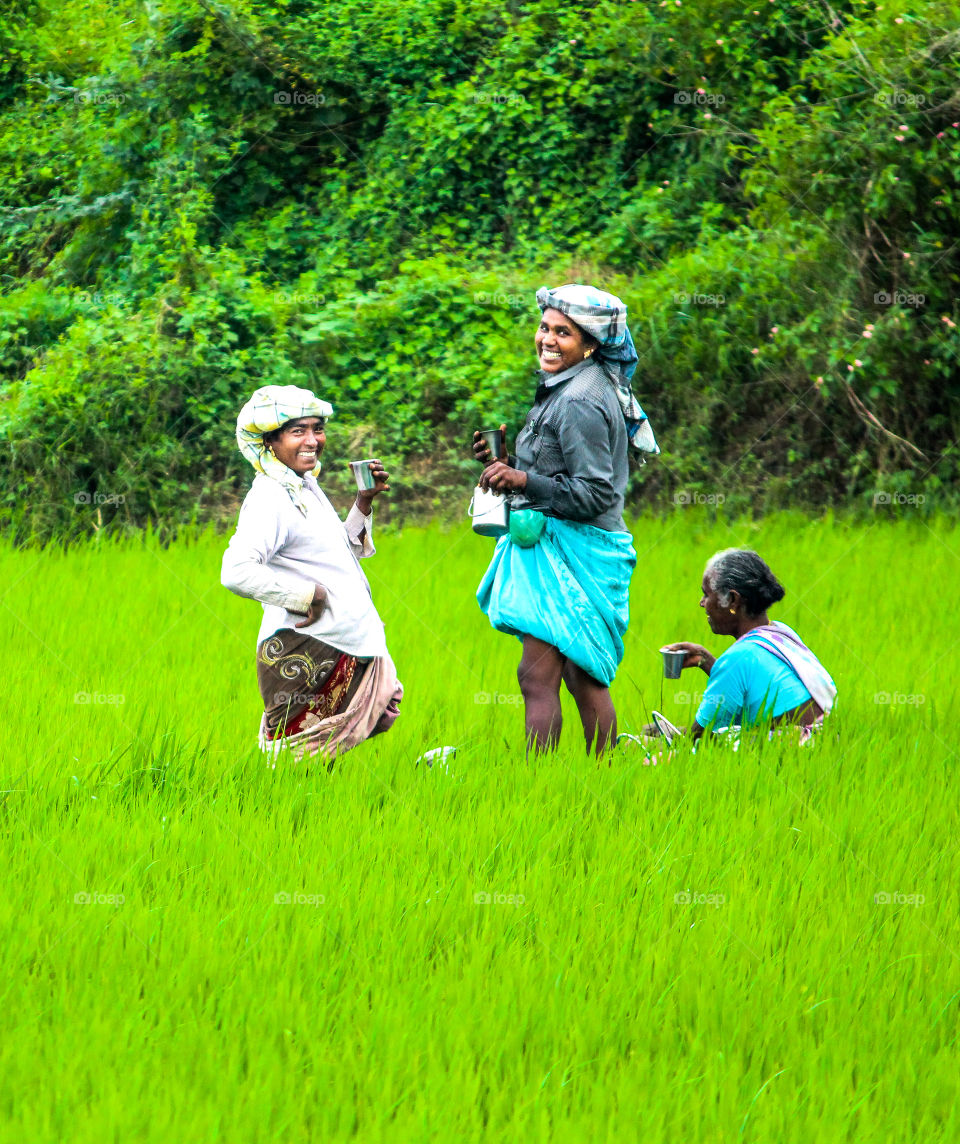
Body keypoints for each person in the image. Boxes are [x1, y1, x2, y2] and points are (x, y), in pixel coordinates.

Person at [472, 283, 659, 755]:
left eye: (564, 333)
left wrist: (521, 481)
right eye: (544, 327)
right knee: (581, 674)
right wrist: (511, 461)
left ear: (591, 343)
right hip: (576, 545)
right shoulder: (577, 383)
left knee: (537, 677)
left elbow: (594, 493)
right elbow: (564, 470)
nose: (548, 339)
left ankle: (539, 782)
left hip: (574, 547)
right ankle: (605, 772)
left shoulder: (579, 399)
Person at [221, 384, 402, 763]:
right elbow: (235, 571)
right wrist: (307, 596)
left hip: (342, 640)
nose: (312, 440)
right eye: (297, 431)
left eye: (317, 429)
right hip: (306, 649)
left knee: (324, 761)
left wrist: (363, 503)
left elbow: (339, 551)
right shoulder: (270, 495)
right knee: (297, 767)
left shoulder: (303, 485)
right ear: (270, 442)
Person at [662, 548, 836, 743]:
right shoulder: (782, 633)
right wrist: (707, 660)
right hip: (825, 741)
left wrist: (663, 738)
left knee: (654, 756)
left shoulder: (738, 658)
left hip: (792, 751)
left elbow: (699, 739)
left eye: (706, 594)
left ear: (733, 600)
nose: (702, 603)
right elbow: (751, 689)